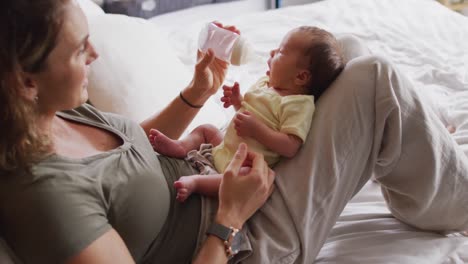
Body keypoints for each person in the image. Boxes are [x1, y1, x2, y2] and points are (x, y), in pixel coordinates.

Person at [1, 1, 468, 264]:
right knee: (374, 78)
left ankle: (413, 137)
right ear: (25, 81)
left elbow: (130, 150)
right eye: (81, 51)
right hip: (242, 237)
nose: (95, 57)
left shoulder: (59, 112)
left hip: (220, 170)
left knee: (337, 50)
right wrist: (231, 217)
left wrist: (196, 91)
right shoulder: (48, 198)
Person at [149, 26, 344, 202]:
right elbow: (250, 112)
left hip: (243, 163)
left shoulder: (298, 104)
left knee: (247, 176)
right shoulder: (265, 85)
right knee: (206, 130)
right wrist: (237, 102)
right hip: (224, 149)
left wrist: (257, 130)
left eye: (281, 52)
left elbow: (291, 146)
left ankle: (197, 183)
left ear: (301, 76)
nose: (272, 52)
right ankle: (181, 147)